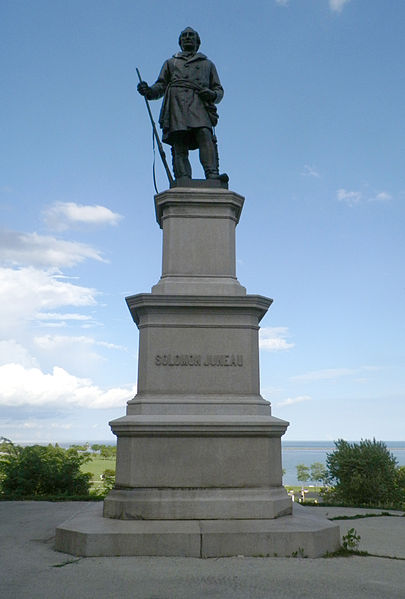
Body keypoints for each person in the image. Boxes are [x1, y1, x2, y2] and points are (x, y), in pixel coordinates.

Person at [137, 27, 227, 181]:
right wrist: (149, 91)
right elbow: (161, 85)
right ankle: (182, 176)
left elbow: (218, 90)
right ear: (179, 42)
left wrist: (212, 94)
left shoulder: (207, 64)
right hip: (176, 104)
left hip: (198, 103)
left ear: (198, 42)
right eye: (184, 36)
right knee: (179, 140)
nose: (187, 38)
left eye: (191, 35)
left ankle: (212, 174)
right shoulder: (171, 63)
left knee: (205, 134)